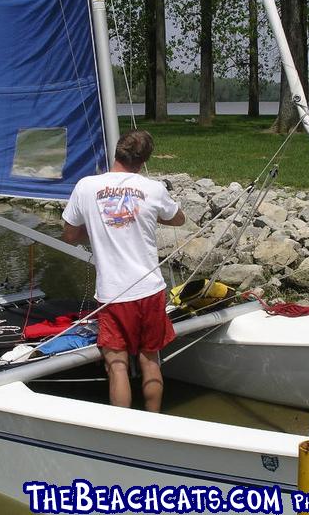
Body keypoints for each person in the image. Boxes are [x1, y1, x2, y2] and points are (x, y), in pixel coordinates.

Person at [62, 130, 185, 413]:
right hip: (150, 290)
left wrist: (93, 228)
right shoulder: (153, 189)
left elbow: (69, 234)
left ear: (116, 153)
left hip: (113, 294)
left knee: (116, 364)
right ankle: (153, 422)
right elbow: (178, 219)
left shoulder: (86, 186)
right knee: (150, 360)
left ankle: (124, 428)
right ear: (143, 161)